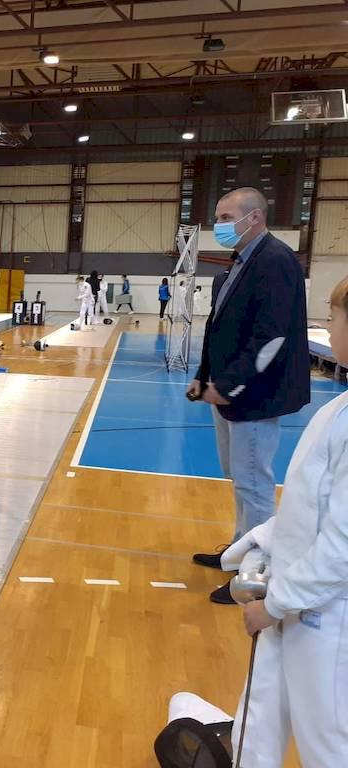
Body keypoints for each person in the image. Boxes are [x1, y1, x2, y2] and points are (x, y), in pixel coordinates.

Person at [221, 274, 348, 767]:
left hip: (326, 616)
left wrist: (275, 604)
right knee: (256, 725)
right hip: (293, 599)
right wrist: (260, 545)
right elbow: (308, 505)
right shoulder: (337, 410)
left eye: (334, 318)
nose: (329, 329)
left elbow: (341, 546)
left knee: (328, 745)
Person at [187, 186, 310, 604]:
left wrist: (229, 385)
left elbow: (270, 337)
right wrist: (204, 377)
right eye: (218, 217)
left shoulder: (275, 261)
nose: (218, 225)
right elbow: (216, 328)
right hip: (227, 391)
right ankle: (239, 551)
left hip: (255, 395)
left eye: (226, 217)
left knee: (255, 484)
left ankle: (255, 575)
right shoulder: (234, 267)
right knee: (240, 478)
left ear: (254, 217)